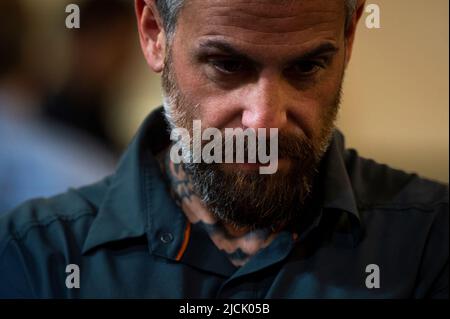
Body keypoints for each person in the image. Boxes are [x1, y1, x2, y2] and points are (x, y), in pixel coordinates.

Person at [0, 0, 448, 298]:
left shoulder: (431, 244)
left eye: (307, 66)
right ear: (154, 32)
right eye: (228, 65)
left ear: (350, 39)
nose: (265, 119)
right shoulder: (36, 256)